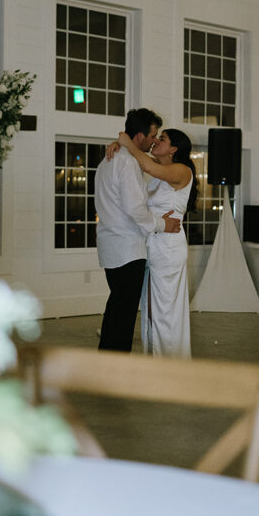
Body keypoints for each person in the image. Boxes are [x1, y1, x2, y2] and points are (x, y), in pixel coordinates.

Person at [95, 108, 181, 352]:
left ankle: (106, 364)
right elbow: (135, 209)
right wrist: (164, 224)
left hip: (111, 247)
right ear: (140, 136)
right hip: (128, 249)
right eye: (153, 135)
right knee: (123, 316)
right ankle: (116, 370)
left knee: (116, 310)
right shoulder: (127, 163)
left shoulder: (108, 160)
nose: (154, 140)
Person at [113, 128, 197, 358]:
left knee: (165, 310)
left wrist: (127, 143)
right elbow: (143, 161)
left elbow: (147, 165)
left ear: (173, 148)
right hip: (154, 244)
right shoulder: (162, 171)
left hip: (168, 247)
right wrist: (118, 145)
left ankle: (169, 366)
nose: (156, 141)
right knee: (151, 307)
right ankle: (155, 361)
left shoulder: (182, 170)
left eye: (162, 139)